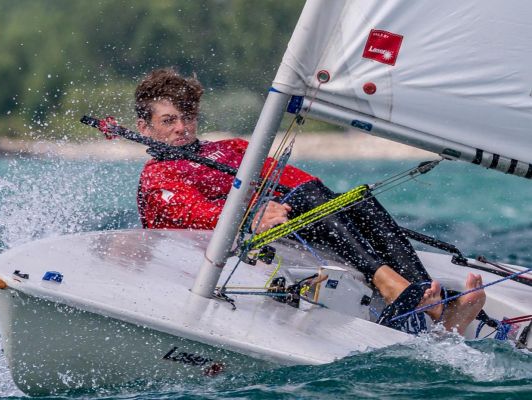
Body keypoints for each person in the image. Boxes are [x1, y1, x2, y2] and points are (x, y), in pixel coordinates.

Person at [133, 68, 486, 333]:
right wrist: (249, 215)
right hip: (207, 255)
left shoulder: (229, 149)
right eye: (168, 121)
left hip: (278, 228)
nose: (182, 128)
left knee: (353, 199)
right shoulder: (159, 175)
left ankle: (428, 297)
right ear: (145, 127)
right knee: (307, 199)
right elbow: (195, 214)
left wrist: (325, 203)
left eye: (188, 117)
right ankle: (391, 284)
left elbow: (304, 183)